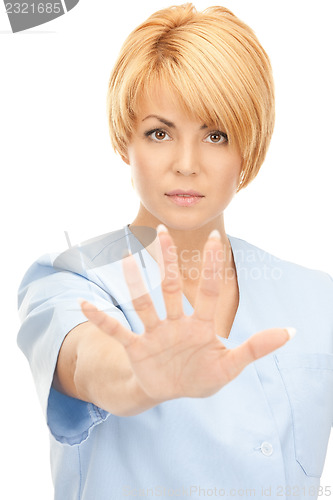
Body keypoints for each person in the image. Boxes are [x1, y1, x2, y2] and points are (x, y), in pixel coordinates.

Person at [17, 3, 333, 499]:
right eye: (159, 132)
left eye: (216, 134)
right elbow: (83, 363)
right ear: (126, 140)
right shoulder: (72, 279)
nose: (186, 164)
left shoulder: (318, 298)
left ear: (248, 148)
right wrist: (138, 377)